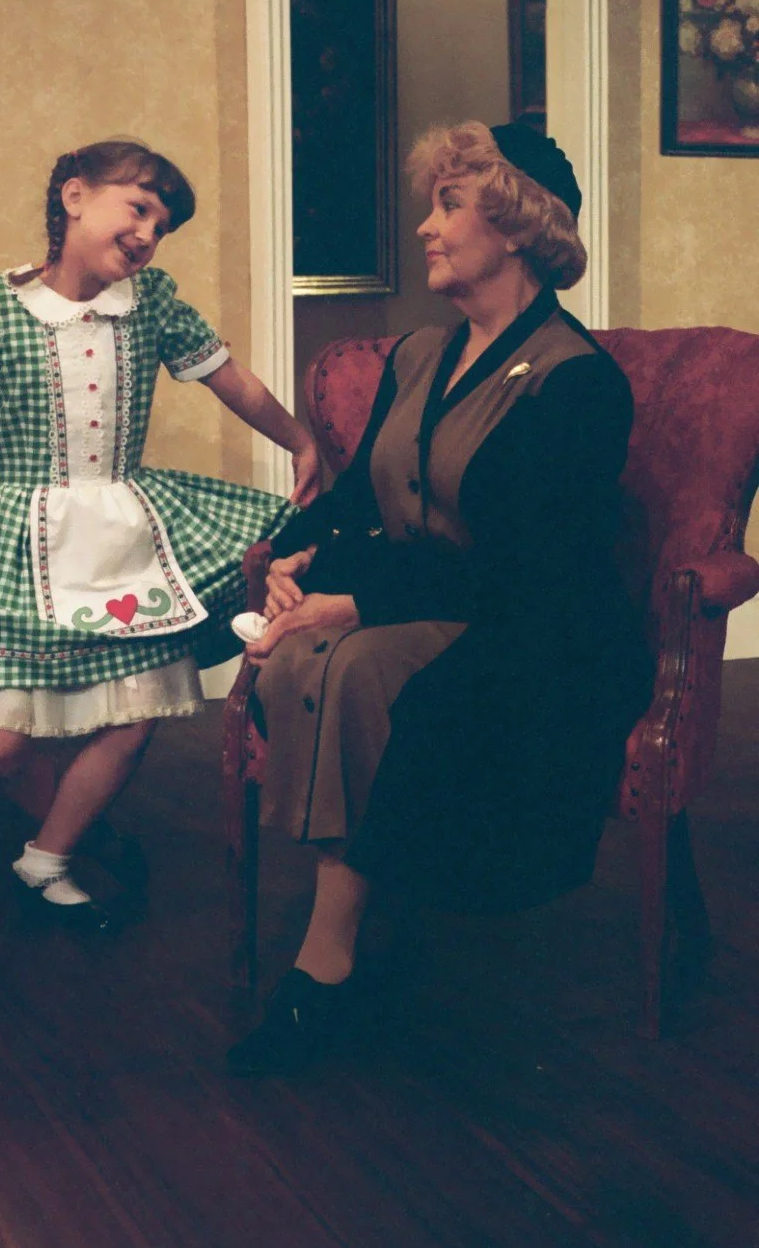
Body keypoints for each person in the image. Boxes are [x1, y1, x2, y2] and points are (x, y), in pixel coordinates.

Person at [227, 121, 653, 1076]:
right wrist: (296, 560)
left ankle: (326, 964)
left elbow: (528, 565)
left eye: (448, 204)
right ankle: (359, 936)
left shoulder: (579, 382)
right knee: (303, 650)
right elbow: (352, 495)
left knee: (361, 658)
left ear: (513, 227)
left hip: (542, 628)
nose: (426, 225)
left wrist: (351, 600)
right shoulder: (420, 353)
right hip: (443, 596)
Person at [0, 139, 318, 924]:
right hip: (18, 537)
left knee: (132, 714)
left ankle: (46, 861)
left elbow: (232, 380)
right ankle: (81, 832)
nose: (148, 233)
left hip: (126, 535)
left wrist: (299, 439)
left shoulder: (154, 300)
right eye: (138, 207)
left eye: (162, 225)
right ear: (74, 198)